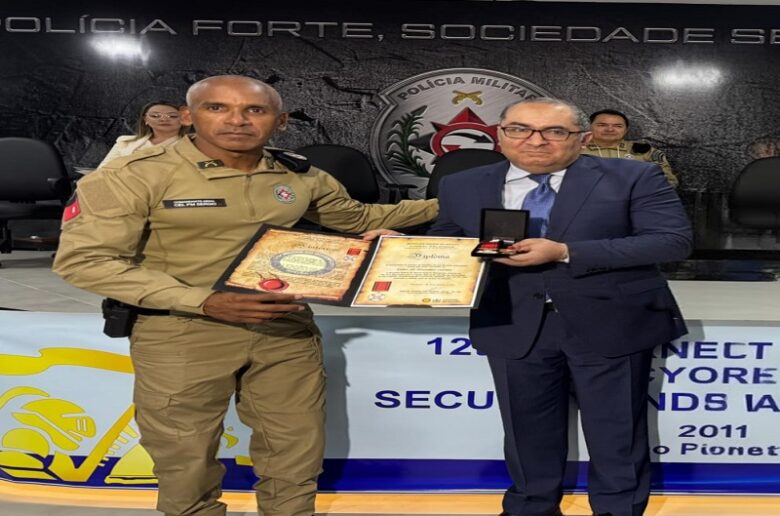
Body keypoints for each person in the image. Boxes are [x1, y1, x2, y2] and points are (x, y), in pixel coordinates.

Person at [53, 75, 438, 516]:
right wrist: (204, 301)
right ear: (188, 116)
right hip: (182, 331)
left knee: (295, 448)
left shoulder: (297, 173)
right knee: (184, 457)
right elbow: (84, 261)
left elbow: (357, 218)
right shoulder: (134, 174)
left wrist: (459, 199)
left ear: (281, 121)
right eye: (217, 108)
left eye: (255, 110)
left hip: (283, 327)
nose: (237, 120)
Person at [428, 98, 692, 516]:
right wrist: (400, 248)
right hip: (511, 320)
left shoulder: (634, 176)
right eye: (520, 129)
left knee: (617, 436)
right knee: (526, 434)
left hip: (611, 321)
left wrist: (566, 251)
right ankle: (530, 508)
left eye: (554, 131)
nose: (535, 141)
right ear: (500, 135)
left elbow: (671, 241)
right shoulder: (462, 183)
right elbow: (450, 242)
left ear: (582, 139)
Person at [581, 109, 679, 187]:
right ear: (590, 127)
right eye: (602, 125)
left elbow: (669, 182)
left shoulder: (645, 152)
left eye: (618, 126)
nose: (610, 129)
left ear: (626, 130)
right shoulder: (575, 150)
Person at [97, 100, 190, 168]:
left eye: (172, 116)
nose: (163, 119)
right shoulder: (124, 142)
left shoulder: (193, 145)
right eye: (155, 115)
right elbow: (102, 171)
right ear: (145, 120)